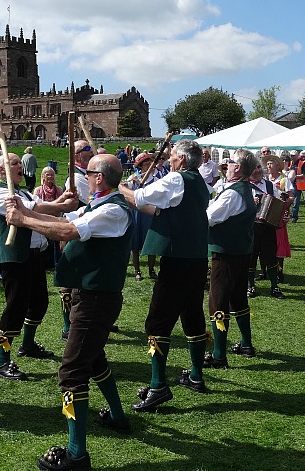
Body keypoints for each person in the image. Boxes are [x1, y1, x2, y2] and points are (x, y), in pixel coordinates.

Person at [5, 154, 133, 471]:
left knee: (72, 373)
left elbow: (67, 234)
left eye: (87, 173)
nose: (84, 177)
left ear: (99, 178)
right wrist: (25, 210)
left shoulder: (113, 210)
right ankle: (117, 417)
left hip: (97, 299)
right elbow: (63, 222)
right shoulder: (99, 205)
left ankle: (77, 455)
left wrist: (23, 220)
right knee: (94, 359)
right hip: (88, 295)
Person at [119, 139, 210, 411]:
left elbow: (141, 198)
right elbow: (157, 209)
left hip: (177, 260)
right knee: (192, 315)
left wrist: (120, 187)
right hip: (195, 259)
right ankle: (195, 375)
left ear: (182, 159)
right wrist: (135, 196)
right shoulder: (199, 182)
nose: (169, 160)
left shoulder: (176, 180)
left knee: (157, 322)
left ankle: (158, 386)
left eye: (172, 156)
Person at [0, 153, 77, 380]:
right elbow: (32, 209)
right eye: (14, 164)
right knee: (15, 306)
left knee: (39, 302)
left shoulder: (22, 192)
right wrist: (62, 204)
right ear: (1, 171)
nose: (20, 166)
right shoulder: (0, 194)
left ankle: (27, 345)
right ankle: (2, 360)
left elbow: (37, 208)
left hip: (33, 256)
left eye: (20, 162)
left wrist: (63, 204)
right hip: (13, 257)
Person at [203, 148, 258, 369]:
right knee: (238, 299)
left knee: (218, 301)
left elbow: (209, 218)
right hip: (240, 251)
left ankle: (218, 355)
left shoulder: (233, 193)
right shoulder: (242, 189)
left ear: (238, 167)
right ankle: (246, 344)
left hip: (226, 253)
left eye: (230, 162)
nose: (226, 165)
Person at [57, 140, 95, 340]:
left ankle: (87, 319)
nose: (90, 151)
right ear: (77, 155)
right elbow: (93, 198)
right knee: (69, 281)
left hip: (86, 232)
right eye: (86, 149)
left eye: (90, 148)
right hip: (73, 232)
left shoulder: (88, 174)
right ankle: (67, 325)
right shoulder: (77, 177)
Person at [247, 156, 286, 299]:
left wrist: (281, 210)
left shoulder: (269, 185)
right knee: (251, 257)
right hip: (250, 227)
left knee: (270, 257)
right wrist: (250, 202)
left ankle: (274, 286)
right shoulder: (244, 185)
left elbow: (277, 203)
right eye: (254, 168)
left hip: (267, 226)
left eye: (258, 167)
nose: (257, 170)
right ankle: (250, 285)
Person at [126, 152, 157, 281]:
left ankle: (151, 269)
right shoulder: (133, 178)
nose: (149, 165)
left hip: (149, 213)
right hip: (137, 212)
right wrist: (131, 184)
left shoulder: (155, 179)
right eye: (146, 164)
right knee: (135, 242)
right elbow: (127, 195)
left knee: (151, 241)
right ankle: (137, 270)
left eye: (150, 163)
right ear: (140, 166)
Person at [267, 154, 293, 283]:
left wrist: (283, 207)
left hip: (278, 215)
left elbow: (291, 196)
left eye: (271, 163)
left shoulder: (284, 180)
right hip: (265, 214)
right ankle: (266, 270)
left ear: (278, 166)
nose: (268, 166)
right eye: (267, 164)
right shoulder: (265, 179)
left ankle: (279, 271)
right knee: (265, 241)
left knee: (278, 242)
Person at [34, 166, 64, 267]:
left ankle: (56, 262)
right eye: (48, 174)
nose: (50, 176)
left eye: (52, 174)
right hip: (42, 218)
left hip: (55, 218)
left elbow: (63, 205)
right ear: (43, 176)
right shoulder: (38, 190)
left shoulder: (59, 190)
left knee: (55, 241)